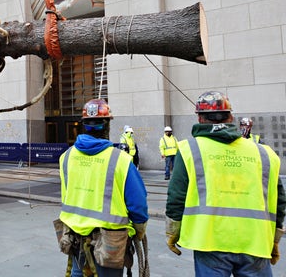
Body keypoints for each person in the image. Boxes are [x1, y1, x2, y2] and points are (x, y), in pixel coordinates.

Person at [165, 91, 286, 276]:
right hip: (254, 240)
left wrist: (173, 232)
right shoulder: (264, 153)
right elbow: (279, 200)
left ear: (199, 117)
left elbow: (176, 196)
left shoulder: (190, 149)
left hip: (210, 241)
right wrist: (275, 238)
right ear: (231, 116)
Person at [58, 98, 148, 276]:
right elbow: (138, 206)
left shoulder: (66, 157)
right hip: (109, 244)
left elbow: (67, 196)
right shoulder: (120, 160)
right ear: (107, 125)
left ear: (83, 125)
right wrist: (139, 231)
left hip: (75, 240)